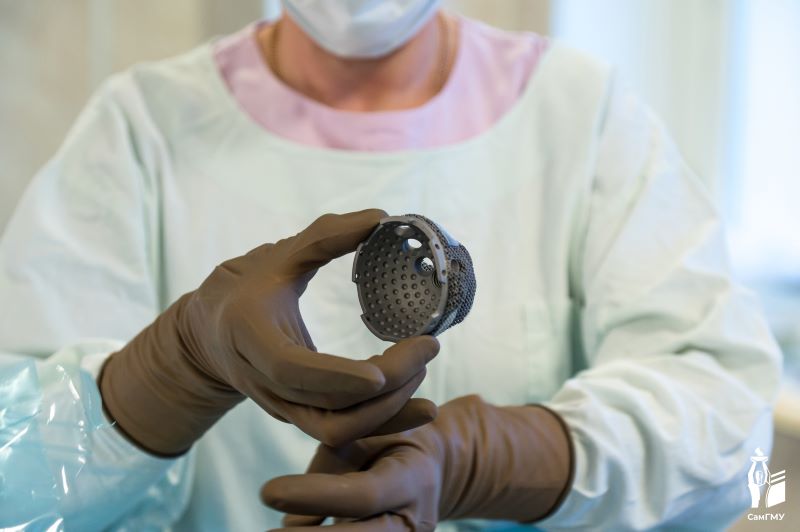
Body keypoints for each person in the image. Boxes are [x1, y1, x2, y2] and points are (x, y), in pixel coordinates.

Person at [0, 0, 781, 530]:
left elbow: (723, 419)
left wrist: (492, 461)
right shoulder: (139, 130)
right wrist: (168, 374)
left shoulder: (582, 114)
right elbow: (16, 485)